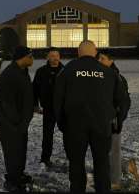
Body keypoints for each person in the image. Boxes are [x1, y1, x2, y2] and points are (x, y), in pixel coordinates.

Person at [53, 40, 127, 193]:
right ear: (95, 53)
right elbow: (123, 100)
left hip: (74, 126)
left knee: (76, 164)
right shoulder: (108, 73)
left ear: (78, 53)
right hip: (101, 126)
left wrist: (62, 123)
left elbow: (57, 100)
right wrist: (117, 121)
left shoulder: (66, 71)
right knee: (101, 164)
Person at [0, 45, 34, 192]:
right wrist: (17, 124)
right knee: (12, 151)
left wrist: (31, 110)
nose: (32, 59)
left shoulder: (23, 72)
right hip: (9, 122)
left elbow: (25, 95)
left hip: (20, 122)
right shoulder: (9, 74)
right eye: (30, 56)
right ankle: (12, 181)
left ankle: (18, 175)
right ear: (22, 57)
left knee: (21, 149)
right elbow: (6, 103)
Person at [97, 51, 131, 190]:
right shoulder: (99, 76)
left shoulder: (117, 78)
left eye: (103, 58)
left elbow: (124, 102)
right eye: (98, 58)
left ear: (111, 61)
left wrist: (118, 119)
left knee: (113, 151)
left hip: (113, 120)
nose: (99, 60)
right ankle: (127, 165)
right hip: (100, 119)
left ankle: (115, 182)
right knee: (104, 150)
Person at [32, 47, 64, 168]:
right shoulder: (41, 71)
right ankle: (45, 158)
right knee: (47, 136)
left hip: (63, 109)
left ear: (59, 57)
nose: (55, 58)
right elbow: (34, 89)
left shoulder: (65, 71)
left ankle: (72, 157)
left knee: (69, 135)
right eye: (52, 56)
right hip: (49, 109)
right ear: (47, 57)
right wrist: (35, 104)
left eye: (56, 56)